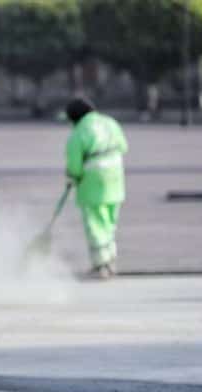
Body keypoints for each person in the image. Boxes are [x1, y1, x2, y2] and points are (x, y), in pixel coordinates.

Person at [64, 97, 128, 279]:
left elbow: (74, 163)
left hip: (93, 182)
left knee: (94, 222)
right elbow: (123, 146)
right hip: (115, 178)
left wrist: (73, 176)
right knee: (109, 221)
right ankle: (110, 260)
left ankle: (101, 264)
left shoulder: (79, 132)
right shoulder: (110, 123)